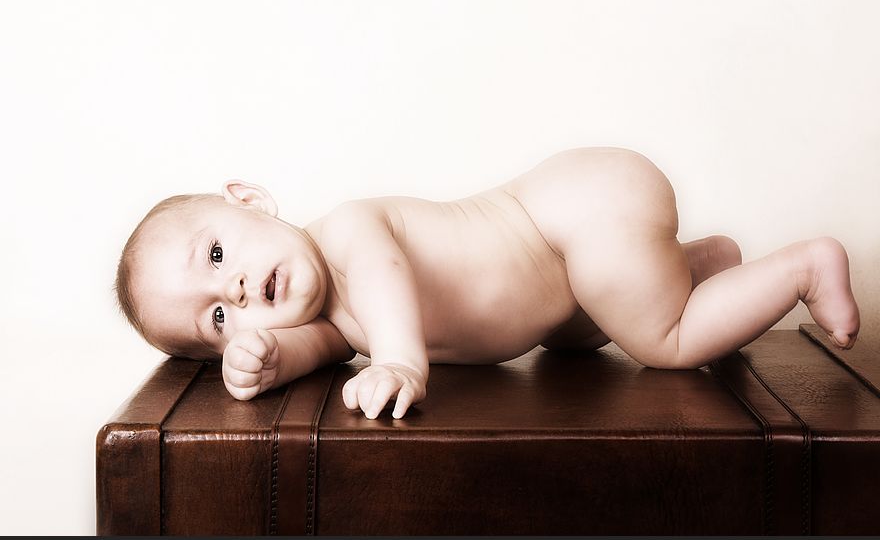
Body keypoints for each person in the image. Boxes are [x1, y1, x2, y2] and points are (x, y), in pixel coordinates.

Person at [115, 147, 860, 419]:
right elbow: (313, 351)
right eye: (217, 320)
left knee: (665, 345)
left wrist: (402, 362)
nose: (237, 291)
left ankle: (802, 267)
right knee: (580, 340)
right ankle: (700, 266)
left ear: (250, 201)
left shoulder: (346, 231)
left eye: (216, 257)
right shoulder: (330, 327)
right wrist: (264, 365)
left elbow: (386, 279)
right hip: (568, 284)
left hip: (574, 210)